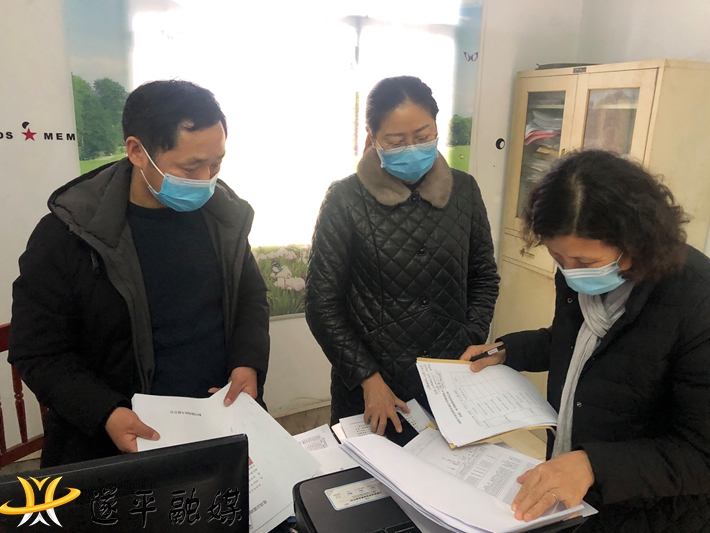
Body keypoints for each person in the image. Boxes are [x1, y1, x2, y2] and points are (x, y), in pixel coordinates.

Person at [9, 80, 270, 467]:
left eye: (216, 164)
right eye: (190, 167)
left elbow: (250, 299)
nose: (206, 179)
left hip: (219, 426)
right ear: (137, 151)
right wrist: (106, 413)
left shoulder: (223, 219)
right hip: (113, 447)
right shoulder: (69, 234)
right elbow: (38, 352)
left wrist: (248, 362)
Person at [462, 150, 710, 532]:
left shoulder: (696, 300)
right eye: (558, 257)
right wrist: (507, 350)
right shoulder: (577, 272)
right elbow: (572, 343)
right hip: (579, 499)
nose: (570, 272)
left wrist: (593, 464)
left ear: (635, 242)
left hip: (655, 513)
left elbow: (700, 452)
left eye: (585, 263)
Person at [305, 76, 499, 435]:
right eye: (396, 141)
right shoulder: (345, 199)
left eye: (423, 136)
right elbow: (322, 304)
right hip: (373, 390)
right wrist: (368, 378)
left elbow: (484, 276)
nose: (412, 148)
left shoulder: (465, 190)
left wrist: (468, 338)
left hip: (449, 381)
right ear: (372, 138)